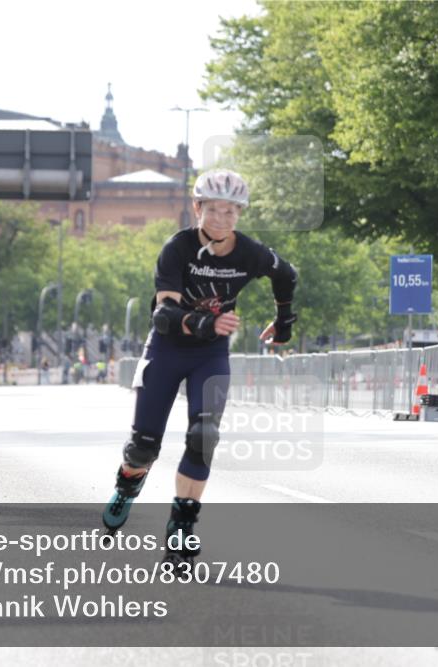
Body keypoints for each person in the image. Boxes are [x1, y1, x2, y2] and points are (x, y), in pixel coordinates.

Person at [100, 169, 298, 569]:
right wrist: (208, 322)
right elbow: (164, 315)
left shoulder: (249, 252)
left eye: (231, 211)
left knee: (203, 436)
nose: (223, 219)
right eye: (214, 210)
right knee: (143, 447)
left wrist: (284, 322)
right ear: (197, 208)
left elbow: (286, 274)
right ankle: (127, 485)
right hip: (168, 350)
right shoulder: (178, 248)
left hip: (210, 356)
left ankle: (181, 530)